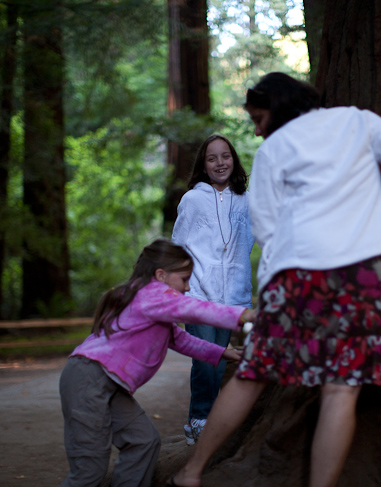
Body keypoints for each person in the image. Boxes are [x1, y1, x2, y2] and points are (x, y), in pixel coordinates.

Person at [169, 73, 381, 487]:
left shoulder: (273, 151)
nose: (257, 128)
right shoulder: (356, 121)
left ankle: (191, 473)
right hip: (368, 270)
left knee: (253, 372)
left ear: (280, 105)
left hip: (300, 275)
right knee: (341, 389)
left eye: (259, 117)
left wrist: (271, 290)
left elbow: (266, 227)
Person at [59, 239, 255, 487]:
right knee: (89, 469)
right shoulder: (152, 295)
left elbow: (180, 339)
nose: (187, 287)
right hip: (89, 378)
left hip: (106, 383)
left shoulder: (150, 302)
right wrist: (242, 315)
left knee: (143, 442)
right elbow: (196, 310)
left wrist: (221, 353)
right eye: (184, 279)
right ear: (161, 275)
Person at [171, 134, 255, 445]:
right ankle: (200, 418)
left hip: (232, 296)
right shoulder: (192, 199)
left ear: (233, 160)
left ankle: (204, 420)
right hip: (198, 294)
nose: (220, 163)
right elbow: (179, 245)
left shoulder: (246, 200)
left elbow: (252, 239)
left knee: (220, 360)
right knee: (205, 359)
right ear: (204, 167)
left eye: (225, 156)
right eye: (212, 158)